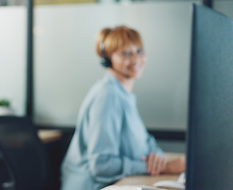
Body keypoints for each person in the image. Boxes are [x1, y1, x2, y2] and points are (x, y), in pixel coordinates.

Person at [60, 26, 185, 190]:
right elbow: (102, 166)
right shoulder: (108, 95)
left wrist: (156, 157)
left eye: (139, 51)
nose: (135, 59)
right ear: (108, 59)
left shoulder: (124, 95)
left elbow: (144, 141)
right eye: (125, 53)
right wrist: (164, 167)